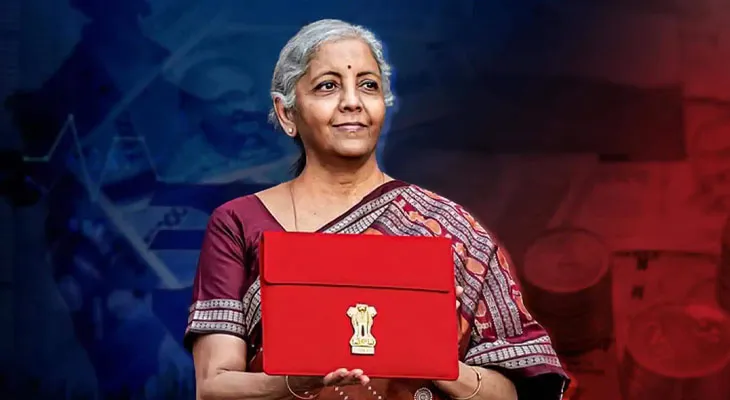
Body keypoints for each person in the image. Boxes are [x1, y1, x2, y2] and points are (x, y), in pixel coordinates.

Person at [185, 19, 569, 400]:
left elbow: (519, 393)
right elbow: (214, 386)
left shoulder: (451, 228)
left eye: (368, 85)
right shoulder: (239, 223)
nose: (352, 101)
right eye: (328, 86)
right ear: (287, 113)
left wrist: (441, 364)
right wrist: (293, 382)